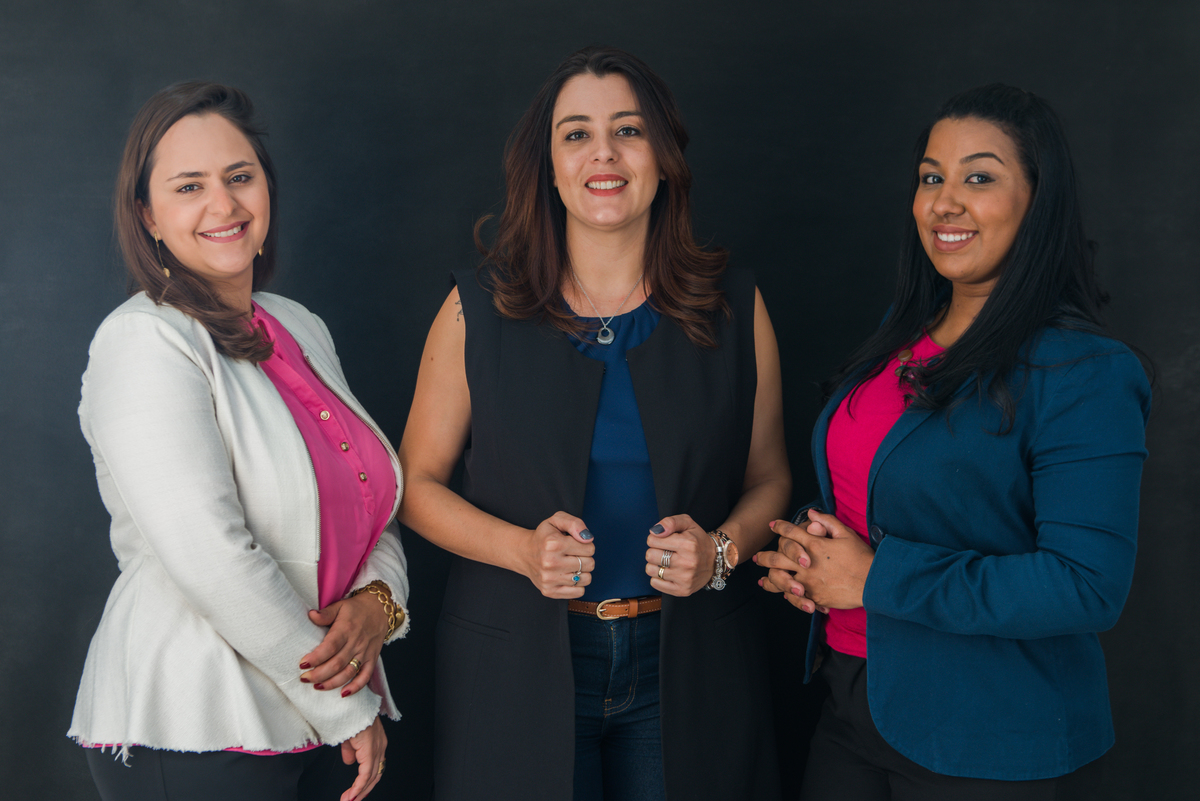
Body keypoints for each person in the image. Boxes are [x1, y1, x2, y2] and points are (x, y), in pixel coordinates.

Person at [398, 46, 791, 801]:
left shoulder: (735, 309)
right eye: (576, 133)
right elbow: (414, 486)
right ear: (548, 167)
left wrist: (719, 552)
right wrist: (521, 551)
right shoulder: (475, 309)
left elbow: (769, 477)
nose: (603, 153)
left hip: (689, 666)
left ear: (664, 159)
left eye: (629, 131)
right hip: (517, 665)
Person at [757, 84, 1152, 800]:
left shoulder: (1085, 371)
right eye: (931, 177)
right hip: (853, 701)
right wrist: (812, 554)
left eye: (979, 178)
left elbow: (1086, 585)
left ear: (1038, 200)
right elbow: (893, 491)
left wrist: (874, 578)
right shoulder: (902, 336)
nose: (945, 202)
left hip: (990, 733)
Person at [69, 82, 408, 801]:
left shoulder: (300, 325)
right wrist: (342, 706)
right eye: (189, 186)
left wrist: (380, 601)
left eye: (239, 176)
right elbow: (210, 555)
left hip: (318, 717)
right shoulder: (143, 340)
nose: (223, 205)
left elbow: (370, 500)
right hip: (197, 719)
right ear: (148, 215)